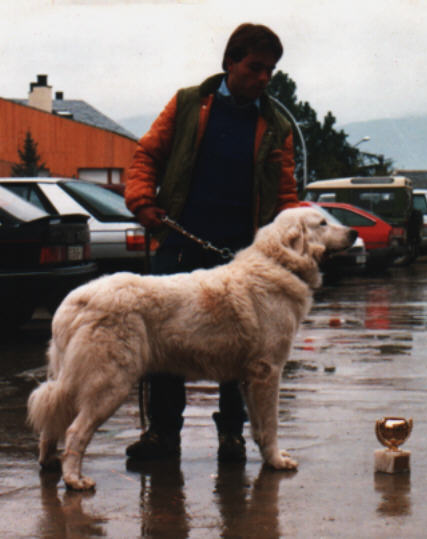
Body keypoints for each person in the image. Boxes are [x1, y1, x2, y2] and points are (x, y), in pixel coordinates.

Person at [124, 23, 299, 462]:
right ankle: (163, 434)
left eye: (270, 72)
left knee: (244, 347)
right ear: (229, 63)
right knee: (163, 341)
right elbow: (147, 154)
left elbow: (285, 196)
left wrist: (292, 245)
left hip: (244, 253)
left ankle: (233, 436)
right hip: (182, 239)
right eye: (255, 68)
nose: (263, 78)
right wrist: (142, 200)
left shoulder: (276, 125)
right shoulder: (187, 104)